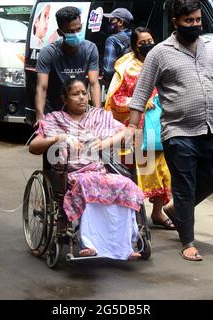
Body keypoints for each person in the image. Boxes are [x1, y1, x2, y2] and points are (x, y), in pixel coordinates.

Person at [128, 0, 213, 261]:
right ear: (176, 22)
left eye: (197, 20)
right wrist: (131, 126)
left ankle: (176, 209)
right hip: (177, 131)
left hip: (209, 128)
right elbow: (142, 91)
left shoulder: (211, 48)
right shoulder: (160, 53)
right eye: (188, 21)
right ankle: (187, 241)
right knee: (184, 185)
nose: (195, 25)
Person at [29, 79, 143, 260]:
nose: (82, 97)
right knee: (87, 184)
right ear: (64, 99)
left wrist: (106, 142)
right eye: (75, 94)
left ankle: (125, 245)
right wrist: (60, 137)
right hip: (71, 174)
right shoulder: (55, 119)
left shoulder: (99, 116)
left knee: (125, 184)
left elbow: (128, 134)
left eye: (84, 93)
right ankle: (90, 244)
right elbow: (34, 147)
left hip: (97, 171)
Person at [105, 27, 175, 230]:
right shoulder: (127, 69)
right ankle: (133, 217)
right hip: (137, 133)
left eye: (151, 40)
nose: (148, 45)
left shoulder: (162, 63)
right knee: (138, 175)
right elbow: (115, 99)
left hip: (161, 127)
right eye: (143, 43)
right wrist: (138, 102)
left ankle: (157, 213)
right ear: (134, 46)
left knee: (165, 172)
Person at [35, 6, 102, 124]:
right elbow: (42, 87)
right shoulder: (48, 53)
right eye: (71, 31)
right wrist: (40, 117)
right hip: (53, 113)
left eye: (78, 29)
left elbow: (93, 83)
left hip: (77, 112)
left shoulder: (90, 49)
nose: (76, 34)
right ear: (61, 32)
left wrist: (98, 113)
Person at [102, 8, 133, 84]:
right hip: (134, 82)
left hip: (119, 86)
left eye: (111, 20)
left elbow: (108, 71)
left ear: (120, 22)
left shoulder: (112, 40)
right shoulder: (135, 37)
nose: (109, 23)